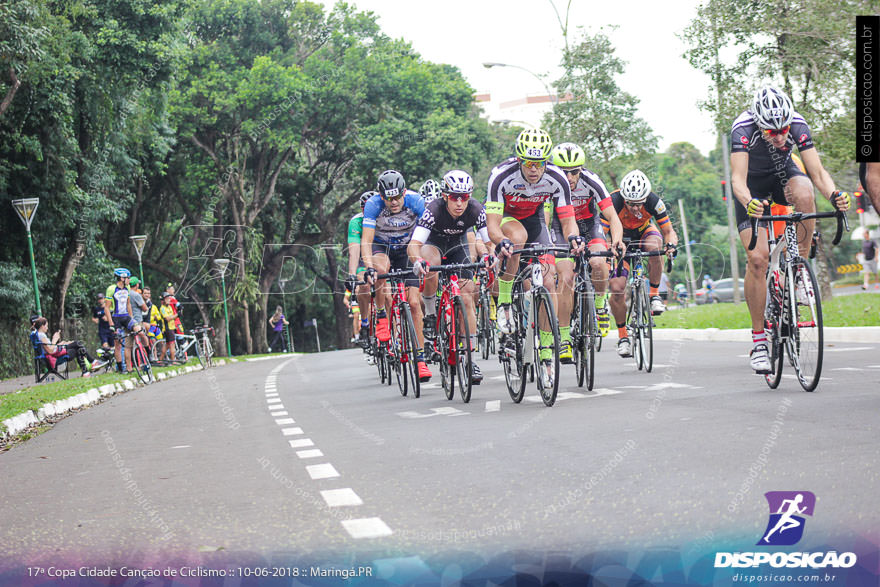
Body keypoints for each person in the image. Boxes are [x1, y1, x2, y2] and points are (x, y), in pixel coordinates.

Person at [729, 86, 850, 373]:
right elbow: (737, 181)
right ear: (759, 124)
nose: (781, 136)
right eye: (772, 132)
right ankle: (759, 340)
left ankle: (798, 269)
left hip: (783, 178)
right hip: (752, 187)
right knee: (757, 260)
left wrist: (835, 195)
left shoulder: (797, 123)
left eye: (783, 129)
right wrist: (749, 203)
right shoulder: (742, 128)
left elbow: (817, 173)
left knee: (806, 192)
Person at [485, 128, 586, 388]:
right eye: (529, 163)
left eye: (539, 163)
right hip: (507, 219)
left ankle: (545, 352)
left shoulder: (556, 178)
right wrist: (500, 242)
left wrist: (574, 237)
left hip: (537, 222)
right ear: (519, 160)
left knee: (548, 283)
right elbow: (493, 225)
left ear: (546, 162)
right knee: (516, 238)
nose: (534, 170)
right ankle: (506, 302)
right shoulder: (501, 177)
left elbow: (567, 220)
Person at [408, 169, 491, 384]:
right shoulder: (433, 210)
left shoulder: (476, 210)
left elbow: (487, 241)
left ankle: (470, 356)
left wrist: (489, 256)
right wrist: (417, 261)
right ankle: (430, 313)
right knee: (430, 265)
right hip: (434, 245)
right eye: (454, 197)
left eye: (464, 197)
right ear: (444, 196)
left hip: (458, 246)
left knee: (467, 295)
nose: (459, 203)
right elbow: (415, 245)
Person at [547, 142, 623, 362]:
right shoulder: (549, 183)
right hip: (560, 229)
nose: (570, 177)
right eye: (564, 172)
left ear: (581, 169)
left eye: (575, 172)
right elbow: (543, 219)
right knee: (567, 278)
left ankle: (600, 304)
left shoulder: (592, 181)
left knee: (599, 262)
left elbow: (613, 218)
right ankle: (563, 340)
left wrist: (616, 241)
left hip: (590, 226)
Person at [361, 169, 431, 381]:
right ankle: (382, 315)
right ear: (381, 196)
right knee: (381, 270)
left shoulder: (416, 202)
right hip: (382, 248)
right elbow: (366, 241)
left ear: (404, 192)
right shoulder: (373, 205)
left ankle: (420, 360)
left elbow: (429, 233)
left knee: (414, 303)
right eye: (389, 198)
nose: (394, 202)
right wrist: (369, 267)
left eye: (397, 197)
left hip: (408, 249)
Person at [603, 170, 678, 358]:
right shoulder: (613, 201)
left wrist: (671, 246)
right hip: (620, 241)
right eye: (631, 204)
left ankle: (654, 296)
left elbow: (668, 231)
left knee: (655, 246)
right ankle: (623, 337)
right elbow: (602, 233)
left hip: (645, 232)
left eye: (639, 204)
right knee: (617, 288)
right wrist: (608, 251)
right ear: (624, 198)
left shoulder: (654, 201)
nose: (636, 208)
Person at [347, 191, 377, 344]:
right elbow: (354, 250)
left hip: (380, 256)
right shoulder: (356, 221)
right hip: (361, 259)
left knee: (391, 293)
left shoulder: (383, 217)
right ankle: (365, 323)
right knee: (364, 285)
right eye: (365, 207)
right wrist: (352, 274)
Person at [105, 268, 144, 372]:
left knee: (139, 331)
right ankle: (121, 368)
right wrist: (111, 324)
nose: (129, 280)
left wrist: (132, 318)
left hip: (126, 316)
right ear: (122, 278)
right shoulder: (112, 289)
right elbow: (107, 308)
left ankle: (147, 357)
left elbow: (128, 304)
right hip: (116, 317)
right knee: (118, 343)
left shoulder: (127, 287)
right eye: (128, 277)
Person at [32, 316, 96, 378]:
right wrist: (55, 339)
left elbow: (50, 348)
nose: (47, 328)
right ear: (42, 326)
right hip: (56, 355)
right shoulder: (41, 336)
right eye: (46, 326)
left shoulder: (38, 335)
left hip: (57, 351)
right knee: (77, 347)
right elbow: (50, 351)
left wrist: (61, 344)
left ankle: (87, 370)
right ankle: (91, 363)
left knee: (77, 345)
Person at [159, 292, 178, 360]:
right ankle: (173, 360)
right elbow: (167, 318)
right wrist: (177, 315)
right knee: (172, 345)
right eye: (167, 299)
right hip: (168, 328)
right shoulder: (162, 308)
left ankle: (160, 360)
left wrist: (176, 314)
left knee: (167, 345)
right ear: (163, 300)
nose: (169, 300)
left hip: (172, 327)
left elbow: (173, 317)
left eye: (169, 299)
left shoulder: (169, 307)